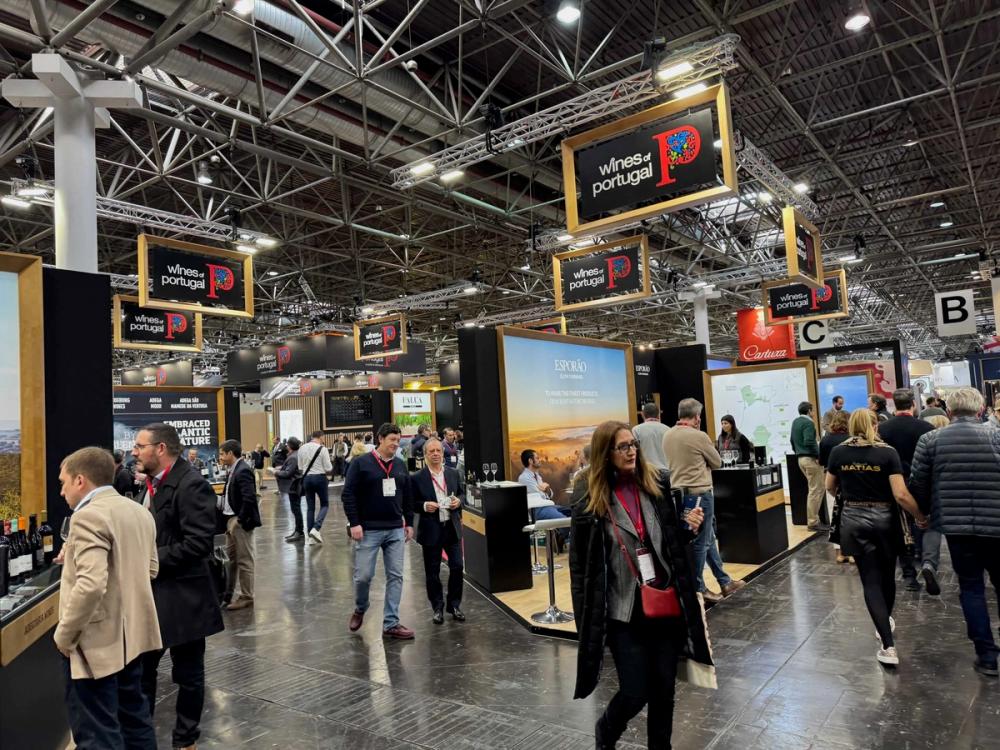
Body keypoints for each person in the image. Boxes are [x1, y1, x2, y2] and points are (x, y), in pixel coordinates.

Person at [570, 420, 714, 749]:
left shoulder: (656, 482)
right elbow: (580, 566)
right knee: (635, 691)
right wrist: (584, 620)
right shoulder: (590, 498)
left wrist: (688, 529)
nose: (631, 451)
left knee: (664, 691)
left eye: (632, 444)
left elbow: (670, 541)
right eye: (622, 447)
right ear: (605, 453)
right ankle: (607, 729)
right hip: (623, 612)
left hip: (664, 602)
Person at [55, 447, 161, 750]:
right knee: (135, 720)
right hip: (132, 639)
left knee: (97, 732)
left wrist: (65, 635)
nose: (61, 491)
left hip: (95, 644)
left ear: (79, 480)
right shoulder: (139, 511)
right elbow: (150, 569)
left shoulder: (87, 517)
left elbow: (90, 586)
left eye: (63, 483)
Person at [134, 423, 224, 750]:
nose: (134, 451)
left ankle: (185, 740)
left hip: (185, 598)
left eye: (140, 446)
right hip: (153, 596)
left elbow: (199, 543)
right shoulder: (151, 485)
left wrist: (148, 560)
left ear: (160, 448)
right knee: (142, 673)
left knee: (188, 674)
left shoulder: (191, 484)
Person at [825, 409, 929, 666]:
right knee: (887, 576)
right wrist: (919, 516)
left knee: (870, 581)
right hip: (886, 519)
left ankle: (888, 645)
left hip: (853, 519)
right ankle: (885, 624)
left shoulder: (838, 452)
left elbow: (829, 486)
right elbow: (901, 494)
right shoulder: (887, 453)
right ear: (875, 425)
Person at [909, 387, 1000, 677]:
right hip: (996, 525)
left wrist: (923, 514)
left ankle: (987, 656)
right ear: (980, 409)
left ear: (949, 411)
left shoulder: (931, 440)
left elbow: (918, 482)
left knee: (971, 587)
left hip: (956, 527)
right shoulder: (997, 436)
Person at [662, 398, 744, 603]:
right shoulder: (699, 436)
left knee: (707, 539)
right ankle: (698, 588)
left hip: (680, 495)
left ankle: (725, 582)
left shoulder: (668, 435)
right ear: (697, 417)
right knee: (702, 542)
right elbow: (717, 462)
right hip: (700, 494)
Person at [342, 423, 416, 640]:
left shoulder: (400, 465)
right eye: (392, 439)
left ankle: (391, 623)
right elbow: (348, 494)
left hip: (395, 529)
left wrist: (409, 523)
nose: (396, 444)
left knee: (396, 576)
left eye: (398, 440)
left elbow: (408, 496)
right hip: (368, 530)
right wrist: (354, 523)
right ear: (380, 439)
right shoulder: (360, 463)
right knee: (363, 576)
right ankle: (360, 607)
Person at [877, 389, 936, 593]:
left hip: (892, 484)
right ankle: (925, 558)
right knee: (923, 521)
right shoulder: (926, 428)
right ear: (913, 404)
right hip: (921, 484)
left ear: (894, 404)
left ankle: (909, 573)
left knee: (901, 527)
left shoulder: (882, 429)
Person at [412, 437, 466, 623]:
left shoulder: (453, 473)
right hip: (431, 529)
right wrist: (424, 505)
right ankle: (437, 607)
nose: (435, 454)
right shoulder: (417, 478)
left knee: (457, 566)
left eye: (438, 451)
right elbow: (411, 503)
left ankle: (454, 605)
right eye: (431, 451)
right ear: (425, 455)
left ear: (443, 453)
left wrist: (459, 501)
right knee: (432, 572)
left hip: (451, 527)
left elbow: (462, 494)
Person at [217, 440, 261, 610]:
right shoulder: (234, 469)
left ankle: (247, 596)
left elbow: (250, 498)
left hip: (239, 522)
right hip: (230, 520)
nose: (220, 457)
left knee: (244, 560)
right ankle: (228, 594)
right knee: (230, 560)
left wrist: (240, 520)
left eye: (222, 454)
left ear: (230, 453)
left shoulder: (243, 470)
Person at [819, 410, 852, 564]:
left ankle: (839, 552)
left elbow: (821, 461)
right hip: (848, 479)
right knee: (850, 516)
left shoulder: (825, 440)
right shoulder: (851, 439)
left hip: (830, 478)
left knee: (835, 517)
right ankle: (851, 552)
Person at [517, 449, 572, 537]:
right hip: (538, 509)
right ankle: (563, 539)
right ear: (530, 461)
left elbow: (550, 494)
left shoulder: (537, 476)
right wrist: (545, 490)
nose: (539, 460)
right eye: (537, 458)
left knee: (573, 513)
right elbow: (541, 494)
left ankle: (560, 537)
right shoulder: (524, 478)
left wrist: (547, 489)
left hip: (549, 506)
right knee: (564, 520)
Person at [791, 401, 827, 531]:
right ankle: (813, 522)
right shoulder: (808, 423)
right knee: (816, 490)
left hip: (800, 459)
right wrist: (818, 456)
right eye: (812, 410)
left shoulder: (795, 422)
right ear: (809, 411)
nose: (814, 413)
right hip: (810, 459)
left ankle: (814, 520)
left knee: (814, 489)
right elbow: (809, 441)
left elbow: (792, 441)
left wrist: (799, 452)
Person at [297, 431, 333, 544]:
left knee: (310, 507)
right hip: (320, 478)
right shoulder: (323, 449)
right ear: (321, 437)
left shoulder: (302, 448)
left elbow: (300, 467)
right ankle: (316, 528)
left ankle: (310, 537)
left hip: (307, 479)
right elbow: (328, 468)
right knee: (324, 504)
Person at [275, 437, 305, 542]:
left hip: (293, 486)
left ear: (290, 446)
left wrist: (276, 472)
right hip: (294, 485)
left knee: (296, 509)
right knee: (295, 509)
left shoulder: (293, 457)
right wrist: (281, 469)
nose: (286, 446)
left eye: (288, 445)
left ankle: (299, 531)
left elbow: (288, 473)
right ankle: (298, 530)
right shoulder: (296, 454)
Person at [632, 402, 671, 470]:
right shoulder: (668, 430)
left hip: (647, 471)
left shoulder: (636, 430)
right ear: (658, 415)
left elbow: (634, 452)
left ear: (642, 414)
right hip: (666, 471)